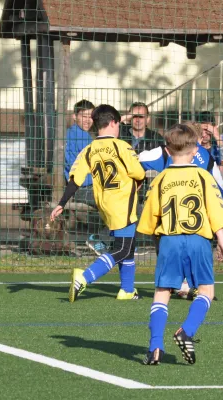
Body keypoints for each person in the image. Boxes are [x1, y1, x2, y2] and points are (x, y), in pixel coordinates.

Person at [139, 123, 223, 365]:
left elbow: (149, 217)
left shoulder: (161, 179)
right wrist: (220, 238)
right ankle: (186, 330)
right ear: (194, 151)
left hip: (170, 239)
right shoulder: (202, 176)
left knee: (162, 293)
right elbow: (215, 207)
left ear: (167, 152)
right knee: (206, 291)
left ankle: (155, 345)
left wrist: (157, 239)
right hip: (199, 240)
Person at [51, 104, 146, 301]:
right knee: (123, 249)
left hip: (105, 205)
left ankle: (127, 290)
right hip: (123, 205)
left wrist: (62, 203)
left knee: (127, 244)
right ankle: (84, 277)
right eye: (119, 124)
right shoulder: (122, 147)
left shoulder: (90, 149)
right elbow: (139, 173)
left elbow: (75, 178)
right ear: (113, 123)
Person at [119, 102, 165, 254]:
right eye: (134, 116)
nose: (137, 120)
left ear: (148, 119)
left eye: (141, 116)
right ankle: (126, 243)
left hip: (147, 186)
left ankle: (131, 243)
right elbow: (106, 127)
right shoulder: (121, 133)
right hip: (121, 184)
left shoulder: (156, 138)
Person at [63, 100, 108, 255]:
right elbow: (74, 169)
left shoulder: (88, 136)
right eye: (84, 116)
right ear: (74, 116)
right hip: (81, 188)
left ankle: (111, 239)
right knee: (115, 201)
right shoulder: (73, 136)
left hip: (92, 186)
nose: (88, 120)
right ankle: (102, 238)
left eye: (91, 116)